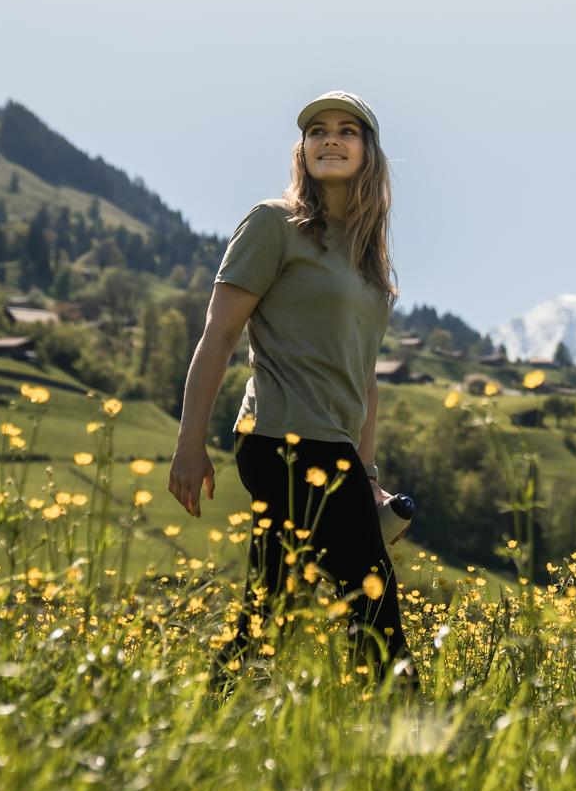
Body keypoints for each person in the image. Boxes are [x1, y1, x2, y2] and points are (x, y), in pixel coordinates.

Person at [168, 90, 415, 691]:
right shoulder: (272, 224)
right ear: (302, 150)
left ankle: (216, 715)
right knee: (370, 594)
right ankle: (409, 732)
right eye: (318, 131)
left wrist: (368, 471)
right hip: (281, 439)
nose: (331, 139)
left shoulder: (368, 260)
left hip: (333, 448)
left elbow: (364, 379)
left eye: (348, 130)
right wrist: (189, 444)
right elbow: (219, 335)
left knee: (270, 605)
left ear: (368, 152)